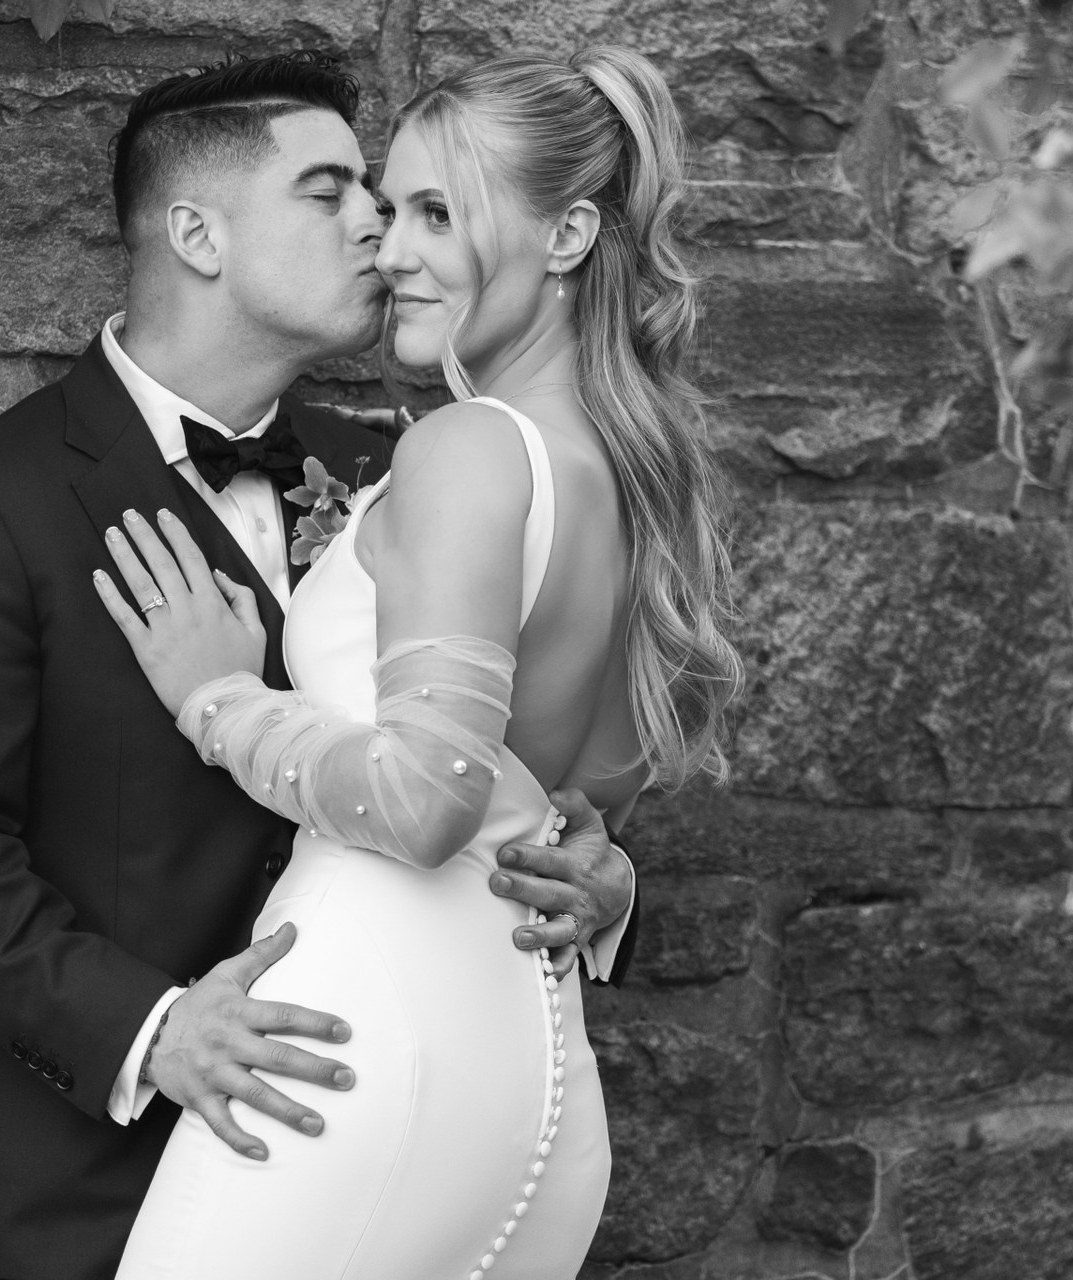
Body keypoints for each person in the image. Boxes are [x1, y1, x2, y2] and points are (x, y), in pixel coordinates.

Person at [0, 52, 641, 1280]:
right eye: (332, 192)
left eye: (394, 198)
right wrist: (155, 1031)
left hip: (382, 1134)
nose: (375, 225)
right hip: (80, 1184)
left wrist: (586, 869)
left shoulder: (397, 469)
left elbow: (478, 761)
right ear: (198, 234)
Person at [97, 46, 740, 1280]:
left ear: (568, 236)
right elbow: (578, 814)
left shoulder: (470, 449)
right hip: (533, 1065)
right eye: (392, 211)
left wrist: (220, 699)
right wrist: (605, 877)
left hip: (358, 1048)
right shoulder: (628, 471)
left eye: (438, 214)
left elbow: (428, 799)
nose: (390, 250)